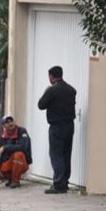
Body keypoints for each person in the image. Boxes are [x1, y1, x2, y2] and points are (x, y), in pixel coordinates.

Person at [37, 65, 77, 194]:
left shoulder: (52, 90)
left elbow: (41, 105)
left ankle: (58, 184)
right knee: (66, 154)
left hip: (57, 127)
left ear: (51, 77)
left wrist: (46, 91)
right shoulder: (71, 90)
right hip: (69, 125)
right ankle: (64, 182)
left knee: (56, 155)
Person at [0, 115, 32, 188]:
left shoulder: (22, 131)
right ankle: (9, 178)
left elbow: (23, 147)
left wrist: (4, 147)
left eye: (11, 121)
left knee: (18, 154)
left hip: (22, 163)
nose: (10, 123)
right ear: (3, 126)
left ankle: (15, 181)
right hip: (8, 162)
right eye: (7, 122)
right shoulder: (2, 136)